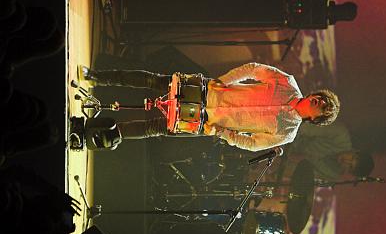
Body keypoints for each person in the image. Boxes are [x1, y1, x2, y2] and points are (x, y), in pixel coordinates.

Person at [78, 62, 340, 152]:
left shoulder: (287, 133)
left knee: (153, 128)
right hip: (210, 91)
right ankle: (98, 77)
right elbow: (254, 69)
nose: (319, 102)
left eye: (323, 107)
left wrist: (224, 134)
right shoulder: (288, 83)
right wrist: (225, 80)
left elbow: (252, 144)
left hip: (209, 121)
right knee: (152, 81)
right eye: (321, 98)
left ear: (316, 119)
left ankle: (101, 134)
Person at [285, 121, 374, 181]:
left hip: (285, 149)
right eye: (352, 158)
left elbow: (297, 172)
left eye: (350, 166)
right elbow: (302, 128)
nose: (346, 161)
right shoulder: (340, 134)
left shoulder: (333, 174)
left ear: (349, 172)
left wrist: (279, 168)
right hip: (288, 127)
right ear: (355, 151)